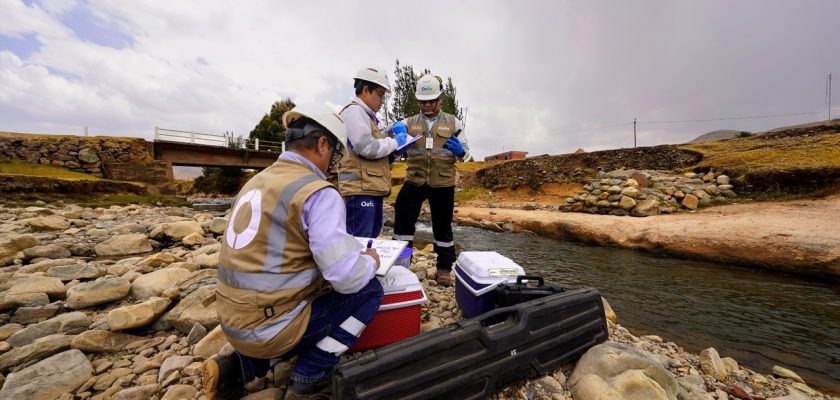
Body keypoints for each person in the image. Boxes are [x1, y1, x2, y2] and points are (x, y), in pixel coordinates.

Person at [203, 103, 384, 400]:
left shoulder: (255, 182)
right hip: (271, 329)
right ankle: (311, 373)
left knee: (306, 294)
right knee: (370, 290)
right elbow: (345, 277)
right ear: (322, 144)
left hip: (232, 320)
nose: (333, 165)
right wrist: (370, 262)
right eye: (335, 155)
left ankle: (241, 365)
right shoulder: (318, 192)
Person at [391, 74, 469, 286]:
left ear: (439, 99)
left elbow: (467, 155)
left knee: (442, 227)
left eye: (430, 101)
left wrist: (460, 151)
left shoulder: (454, 122)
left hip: (442, 183)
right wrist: (397, 132)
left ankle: (443, 268)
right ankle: (401, 264)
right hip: (414, 180)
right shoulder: (408, 123)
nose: (426, 105)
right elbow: (393, 138)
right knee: (403, 221)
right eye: (422, 101)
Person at [336, 66, 407, 238]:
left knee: (371, 237)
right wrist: (395, 142)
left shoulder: (368, 116)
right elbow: (365, 147)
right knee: (359, 240)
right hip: (358, 189)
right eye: (380, 94)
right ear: (366, 90)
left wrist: (396, 148)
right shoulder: (353, 112)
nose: (382, 100)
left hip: (370, 188)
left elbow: (378, 152)